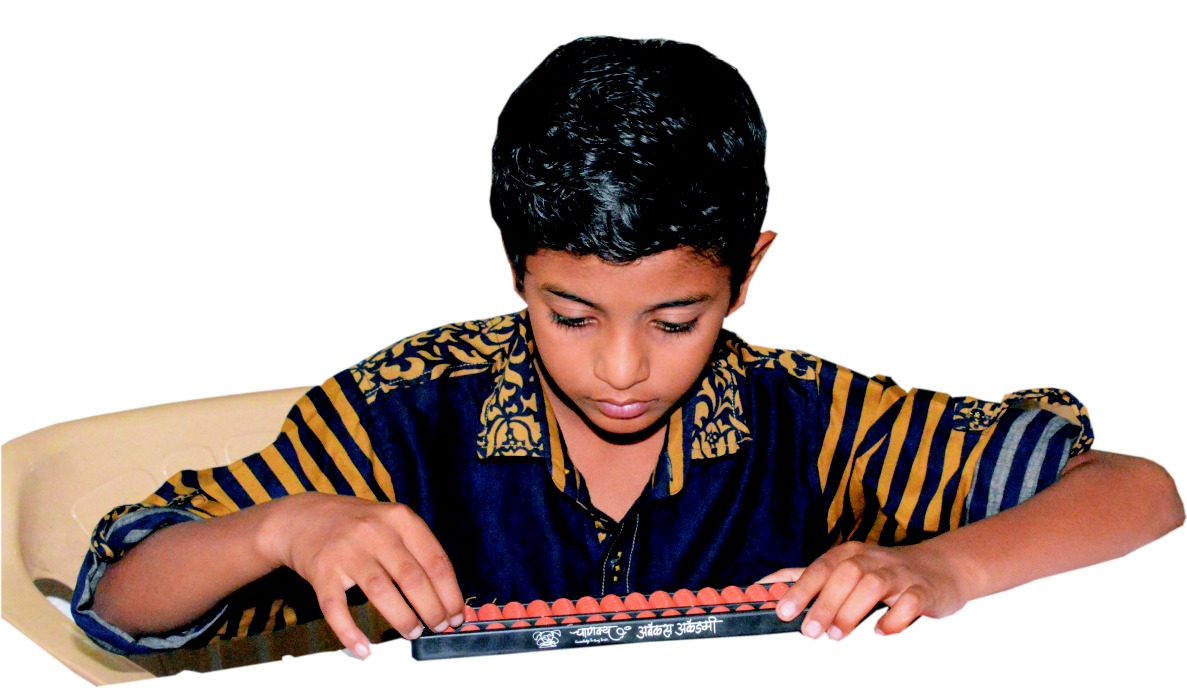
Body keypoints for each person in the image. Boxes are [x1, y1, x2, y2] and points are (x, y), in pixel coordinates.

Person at [71, 36, 1182, 661]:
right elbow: (119, 604)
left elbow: (1137, 490)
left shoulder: (803, 417)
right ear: (517, 271)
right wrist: (285, 525)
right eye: (570, 315)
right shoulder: (408, 412)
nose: (619, 369)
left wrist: (942, 566)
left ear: (746, 272)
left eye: (675, 320)